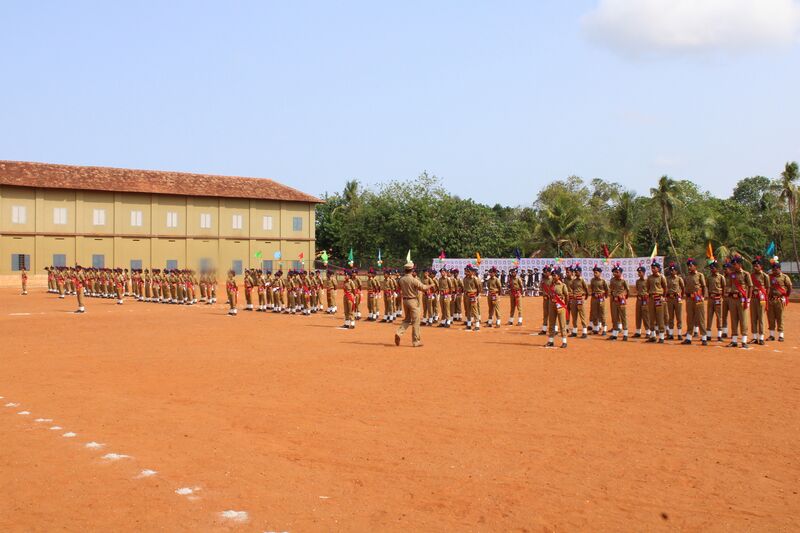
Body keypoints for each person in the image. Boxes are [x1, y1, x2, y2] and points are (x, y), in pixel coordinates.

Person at [394, 262, 434, 347]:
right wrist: (431, 285)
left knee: (407, 320)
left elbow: (398, 288)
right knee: (416, 321)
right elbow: (423, 288)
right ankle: (416, 341)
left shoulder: (401, 279)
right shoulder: (413, 279)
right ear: (412, 270)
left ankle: (399, 332)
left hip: (405, 300)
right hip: (413, 301)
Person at [726, 256, 752, 349]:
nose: (733, 266)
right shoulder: (731, 274)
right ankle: (734, 341)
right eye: (733, 264)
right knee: (733, 319)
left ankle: (744, 341)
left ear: (740, 264)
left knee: (743, 319)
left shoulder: (746, 274)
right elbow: (729, 285)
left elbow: (750, 286)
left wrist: (748, 299)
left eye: (735, 264)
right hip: (733, 299)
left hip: (742, 299)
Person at [682, 258, 708, 346]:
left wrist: (703, 296)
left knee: (700, 318)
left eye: (691, 265)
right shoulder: (687, 276)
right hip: (689, 299)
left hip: (698, 298)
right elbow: (685, 287)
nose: (689, 267)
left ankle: (704, 338)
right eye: (688, 266)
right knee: (690, 318)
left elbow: (703, 286)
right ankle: (688, 338)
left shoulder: (700, 275)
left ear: (695, 266)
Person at [544, 268, 569, 348]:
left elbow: (566, 295)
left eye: (555, 275)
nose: (553, 277)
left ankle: (564, 341)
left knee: (562, 324)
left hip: (560, 306)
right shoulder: (551, 284)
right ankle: (551, 341)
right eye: (553, 275)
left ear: (559, 276)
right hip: (552, 305)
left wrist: (565, 305)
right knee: (551, 323)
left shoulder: (562, 285)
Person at [767, 261, 792, 342]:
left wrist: (786, 295)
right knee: (771, 317)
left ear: (779, 269)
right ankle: (772, 335)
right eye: (773, 269)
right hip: (771, 300)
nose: (774, 271)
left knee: (780, 317)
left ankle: (781, 335)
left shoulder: (784, 277)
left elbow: (789, 286)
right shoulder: (769, 277)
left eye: (776, 269)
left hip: (779, 300)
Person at [749, 257, 769, 345]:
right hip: (753, 298)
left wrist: (765, 297)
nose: (755, 267)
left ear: (761, 266)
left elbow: (768, 288)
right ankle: (754, 337)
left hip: (761, 298)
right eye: (754, 266)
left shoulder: (765, 276)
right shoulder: (751, 275)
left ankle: (761, 338)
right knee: (753, 317)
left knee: (761, 317)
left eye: (757, 266)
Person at [646, 261, 667, 343]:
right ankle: (653, 336)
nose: (652, 269)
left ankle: (661, 337)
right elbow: (648, 288)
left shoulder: (661, 277)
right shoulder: (649, 278)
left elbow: (665, 288)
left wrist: (663, 297)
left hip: (658, 297)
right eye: (652, 268)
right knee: (651, 316)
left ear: (658, 269)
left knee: (660, 316)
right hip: (651, 297)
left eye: (654, 268)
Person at [607, 264, 629, 341]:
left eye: (617, 272)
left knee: (623, 317)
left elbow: (627, 290)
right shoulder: (612, 280)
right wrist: (613, 295)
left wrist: (623, 295)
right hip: (614, 300)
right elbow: (611, 289)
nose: (615, 273)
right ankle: (614, 334)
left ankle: (625, 334)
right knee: (615, 317)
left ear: (620, 273)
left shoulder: (623, 281)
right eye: (614, 272)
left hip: (621, 301)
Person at [705, 261, 725, 341]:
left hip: (718, 298)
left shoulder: (721, 277)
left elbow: (723, 287)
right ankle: (708, 335)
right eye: (711, 268)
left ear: (717, 269)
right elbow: (707, 286)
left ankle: (719, 335)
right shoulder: (709, 277)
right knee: (709, 316)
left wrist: (721, 297)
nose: (711, 269)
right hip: (711, 298)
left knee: (719, 316)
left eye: (713, 268)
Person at [665, 263, 685, 340]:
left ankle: (679, 334)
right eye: (671, 270)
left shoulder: (679, 279)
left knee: (678, 317)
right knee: (670, 317)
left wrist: (681, 296)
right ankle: (670, 334)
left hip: (677, 299)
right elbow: (665, 287)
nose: (671, 271)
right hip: (670, 299)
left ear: (676, 271)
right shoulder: (667, 279)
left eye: (673, 270)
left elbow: (683, 288)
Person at [568, 265, 589, 338]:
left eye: (577, 272)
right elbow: (572, 288)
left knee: (582, 315)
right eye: (575, 272)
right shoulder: (573, 281)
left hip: (580, 298)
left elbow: (586, 289)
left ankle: (584, 332)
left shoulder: (582, 280)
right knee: (574, 315)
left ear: (580, 272)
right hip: (574, 299)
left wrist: (585, 296)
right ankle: (574, 331)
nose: (575, 273)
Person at [589, 266, 609, 335]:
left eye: (596, 273)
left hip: (601, 298)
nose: (595, 274)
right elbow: (591, 288)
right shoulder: (592, 280)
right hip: (594, 298)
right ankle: (596, 328)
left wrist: (605, 296)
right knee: (594, 313)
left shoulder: (603, 281)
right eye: (594, 273)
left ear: (600, 273)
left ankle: (604, 328)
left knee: (602, 313)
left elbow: (607, 289)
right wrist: (594, 294)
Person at [463, 265, 481, 331]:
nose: (467, 272)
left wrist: (477, 295)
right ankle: (469, 325)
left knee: (474, 310)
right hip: (467, 295)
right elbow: (464, 288)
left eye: (468, 271)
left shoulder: (475, 278)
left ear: (472, 271)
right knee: (468, 310)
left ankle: (477, 325)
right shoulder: (465, 279)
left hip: (473, 295)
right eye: (466, 271)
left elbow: (478, 287)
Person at [634, 265, 650, 338]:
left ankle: (648, 332)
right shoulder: (637, 281)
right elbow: (637, 289)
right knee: (638, 315)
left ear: (643, 273)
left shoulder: (647, 281)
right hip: (639, 299)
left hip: (645, 299)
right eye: (638, 272)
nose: (638, 274)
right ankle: (638, 331)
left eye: (640, 272)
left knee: (646, 315)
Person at [538, 266, 553, 335]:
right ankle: (544, 329)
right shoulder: (543, 280)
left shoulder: (553, 279)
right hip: (546, 299)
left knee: (553, 314)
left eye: (546, 272)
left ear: (549, 272)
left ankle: (554, 329)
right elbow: (540, 288)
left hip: (552, 299)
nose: (544, 273)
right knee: (545, 314)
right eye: (544, 272)